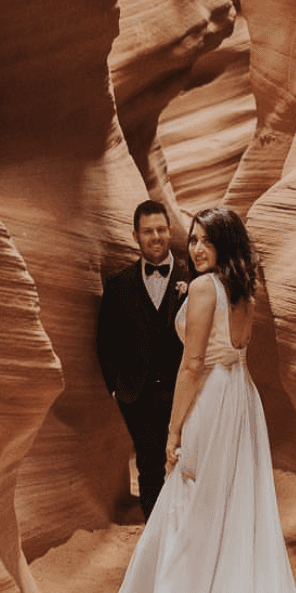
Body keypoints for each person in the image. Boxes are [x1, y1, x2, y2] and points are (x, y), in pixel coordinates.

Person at [112, 207, 296, 593]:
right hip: (241, 400)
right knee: (230, 508)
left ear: (224, 243)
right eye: (193, 240)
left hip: (212, 401)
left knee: (193, 507)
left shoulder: (202, 288)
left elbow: (192, 365)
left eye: (205, 241)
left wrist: (174, 432)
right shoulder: (245, 288)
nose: (195, 249)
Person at [96, 200, 189, 521]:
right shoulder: (118, 285)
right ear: (135, 235)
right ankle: (156, 539)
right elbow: (105, 342)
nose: (156, 237)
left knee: (187, 465)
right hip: (138, 397)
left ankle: (185, 537)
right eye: (148, 231)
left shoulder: (194, 279)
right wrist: (115, 388)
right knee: (149, 469)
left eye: (161, 229)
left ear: (171, 231)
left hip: (184, 393)